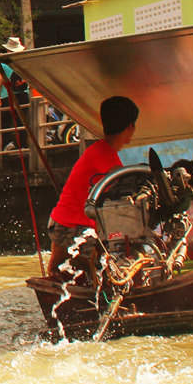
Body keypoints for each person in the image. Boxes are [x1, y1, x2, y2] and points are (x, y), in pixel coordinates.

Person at [45, 96, 140, 280]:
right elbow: (123, 178)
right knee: (95, 270)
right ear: (130, 127)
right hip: (70, 226)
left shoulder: (102, 151)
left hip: (74, 224)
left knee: (90, 270)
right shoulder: (103, 153)